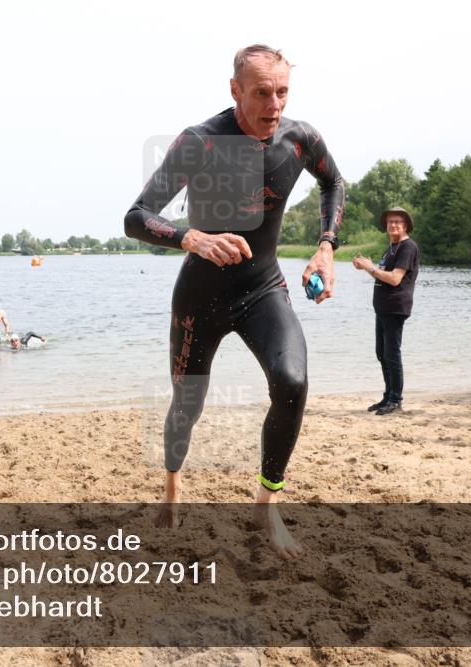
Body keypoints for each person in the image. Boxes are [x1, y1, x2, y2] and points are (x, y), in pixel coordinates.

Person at [124, 44, 344, 559]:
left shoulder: (299, 138)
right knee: (188, 403)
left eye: (283, 92)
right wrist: (191, 238)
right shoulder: (200, 141)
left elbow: (334, 181)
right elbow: (135, 216)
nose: (274, 105)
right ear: (235, 90)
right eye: (262, 93)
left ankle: (267, 505)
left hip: (263, 287)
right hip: (201, 295)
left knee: (292, 382)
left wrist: (326, 247)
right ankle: (173, 484)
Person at [352, 207, 420, 416]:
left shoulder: (407, 247)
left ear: (406, 225)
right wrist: (367, 266)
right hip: (383, 308)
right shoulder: (391, 247)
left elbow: (395, 279)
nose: (393, 225)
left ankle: (396, 400)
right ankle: (388, 396)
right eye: (390, 222)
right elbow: (383, 275)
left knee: (392, 353)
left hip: (395, 308)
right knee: (382, 353)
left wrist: (370, 268)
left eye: (398, 222)